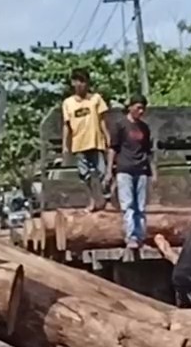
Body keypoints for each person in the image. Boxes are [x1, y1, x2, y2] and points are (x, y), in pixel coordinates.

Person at [61, 69, 111, 211]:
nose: (81, 85)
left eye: (83, 82)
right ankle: (92, 200)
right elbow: (67, 125)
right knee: (85, 175)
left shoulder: (96, 99)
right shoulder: (68, 103)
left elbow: (102, 121)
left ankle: (104, 199)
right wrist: (65, 145)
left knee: (102, 172)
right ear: (73, 83)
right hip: (79, 144)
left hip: (95, 142)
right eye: (78, 81)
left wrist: (107, 138)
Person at [110, 96, 154, 249]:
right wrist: (111, 169)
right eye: (138, 108)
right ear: (130, 107)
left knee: (140, 206)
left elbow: (148, 151)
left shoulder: (144, 128)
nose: (140, 111)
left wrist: (152, 171)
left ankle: (141, 237)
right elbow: (113, 148)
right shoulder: (120, 125)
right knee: (128, 204)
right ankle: (131, 237)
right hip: (124, 168)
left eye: (143, 108)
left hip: (141, 169)